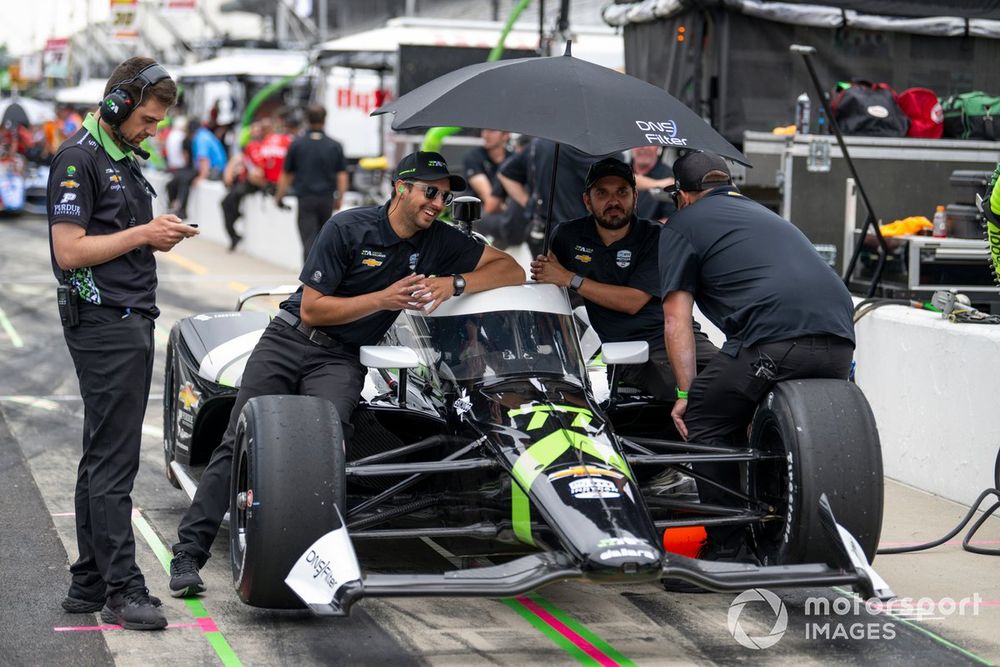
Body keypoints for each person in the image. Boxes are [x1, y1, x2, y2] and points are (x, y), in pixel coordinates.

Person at [169, 151, 525, 597]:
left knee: (328, 447)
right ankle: (188, 553)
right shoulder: (347, 226)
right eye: (429, 192)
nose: (438, 203)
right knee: (238, 437)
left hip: (341, 359)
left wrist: (452, 284)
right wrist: (383, 299)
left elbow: (512, 268)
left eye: (446, 197)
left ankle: (312, 560)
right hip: (290, 339)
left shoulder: (441, 239)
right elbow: (315, 308)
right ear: (401, 188)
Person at [48, 57, 198, 630]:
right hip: (104, 321)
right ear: (116, 105)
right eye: (148, 118)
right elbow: (70, 250)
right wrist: (143, 233)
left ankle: (87, 581)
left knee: (99, 457)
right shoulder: (78, 158)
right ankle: (122, 588)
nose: (153, 129)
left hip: (126, 318)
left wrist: (156, 234)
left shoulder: (122, 159)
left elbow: (116, 239)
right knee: (115, 462)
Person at [658, 151, 855, 561]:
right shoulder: (764, 215)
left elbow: (676, 320)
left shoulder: (682, 224)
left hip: (775, 343)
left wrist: (684, 390)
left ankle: (728, 552)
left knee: (705, 416)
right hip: (839, 342)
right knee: (752, 410)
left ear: (683, 195)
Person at [530, 157, 717, 401]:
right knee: (697, 399)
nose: (614, 201)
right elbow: (549, 290)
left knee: (732, 382)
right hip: (629, 353)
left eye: (622, 192)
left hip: (680, 337)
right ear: (587, 200)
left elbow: (633, 301)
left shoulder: (656, 236)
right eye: (602, 193)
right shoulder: (566, 235)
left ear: (635, 197)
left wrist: (569, 278)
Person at [274, 104, 349, 260]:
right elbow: (342, 174)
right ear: (325, 119)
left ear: (306, 120)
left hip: (306, 199)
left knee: (309, 239)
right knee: (324, 240)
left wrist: (279, 196)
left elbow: (287, 174)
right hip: (326, 199)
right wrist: (340, 197)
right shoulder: (335, 145)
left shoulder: (297, 144)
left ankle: (309, 279)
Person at [219, 118, 269, 251]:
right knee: (225, 203)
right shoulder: (250, 146)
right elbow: (241, 159)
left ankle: (235, 222)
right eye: (254, 130)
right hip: (244, 181)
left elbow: (259, 169)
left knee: (229, 201)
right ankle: (234, 233)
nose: (256, 133)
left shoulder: (262, 146)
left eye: (259, 130)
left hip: (253, 183)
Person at [631, 145, 675, 222]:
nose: (644, 148)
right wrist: (658, 184)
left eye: (649, 144)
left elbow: (672, 219)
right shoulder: (622, 169)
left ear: (658, 146)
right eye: (639, 143)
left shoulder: (670, 176)